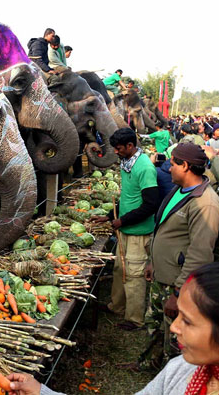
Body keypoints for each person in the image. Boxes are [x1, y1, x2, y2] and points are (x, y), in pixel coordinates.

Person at [5, 262, 219, 395]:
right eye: (178, 315)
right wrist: (41, 392)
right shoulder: (182, 370)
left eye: (188, 321)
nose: (174, 327)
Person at [138, 142, 219, 370]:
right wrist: (152, 261)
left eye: (172, 164)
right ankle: (149, 363)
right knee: (155, 322)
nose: (168, 168)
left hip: (175, 284)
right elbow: (163, 229)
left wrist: (180, 292)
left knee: (174, 336)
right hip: (161, 277)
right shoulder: (179, 190)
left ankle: (170, 375)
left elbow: (200, 254)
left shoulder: (206, 204)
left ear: (185, 166)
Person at [92, 128, 159, 330]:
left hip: (139, 231)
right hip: (126, 228)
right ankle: (117, 306)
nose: (116, 151)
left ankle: (135, 319)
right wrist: (111, 216)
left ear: (130, 146)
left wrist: (123, 221)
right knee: (120, 268)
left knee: (134, 275)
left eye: (119, 148)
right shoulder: (126, 163)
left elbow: (150, 205)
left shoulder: (145, 167)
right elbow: (129, 197)